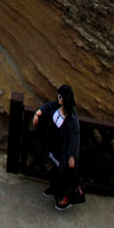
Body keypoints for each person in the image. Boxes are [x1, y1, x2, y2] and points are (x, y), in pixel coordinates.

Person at [33, 83, 81, 211]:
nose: (58, 98)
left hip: (63, 151)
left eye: (60, 96)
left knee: (63, 175)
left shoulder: (72, 118)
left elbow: (74, 139)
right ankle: (54, 188)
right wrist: (38, 113)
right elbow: (48, 107)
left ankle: (63, 199)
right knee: (55, 170)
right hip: (55, 146)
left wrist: (72, 157)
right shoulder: (57, 106)